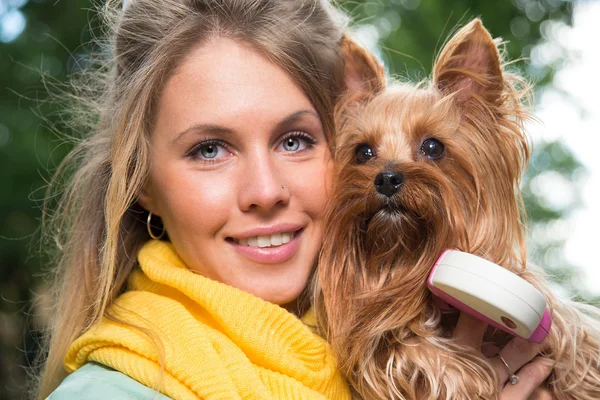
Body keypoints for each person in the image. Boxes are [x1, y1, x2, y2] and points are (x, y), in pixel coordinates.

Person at [36, 0, 553, 399]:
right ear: (141, 180)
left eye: (295, 141)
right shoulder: (113, 389)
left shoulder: (376, 355)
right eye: (209, 149)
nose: (265, 191)